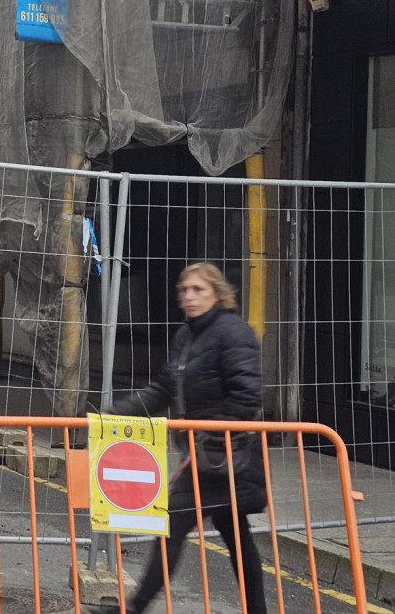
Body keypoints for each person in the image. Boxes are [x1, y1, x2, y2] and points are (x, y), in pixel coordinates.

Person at [98, 263, 267, 614]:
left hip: (227, 457)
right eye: (184, 290)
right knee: (236, 535)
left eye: (198, 290)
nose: (189, 297)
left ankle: (134, 608)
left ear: (218, 294)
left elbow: (248, 397)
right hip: (204, 456)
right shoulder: (186, 336)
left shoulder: (234, 333)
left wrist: (208, 431)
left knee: (177, 524)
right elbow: (162, 388)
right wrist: (115, 414)